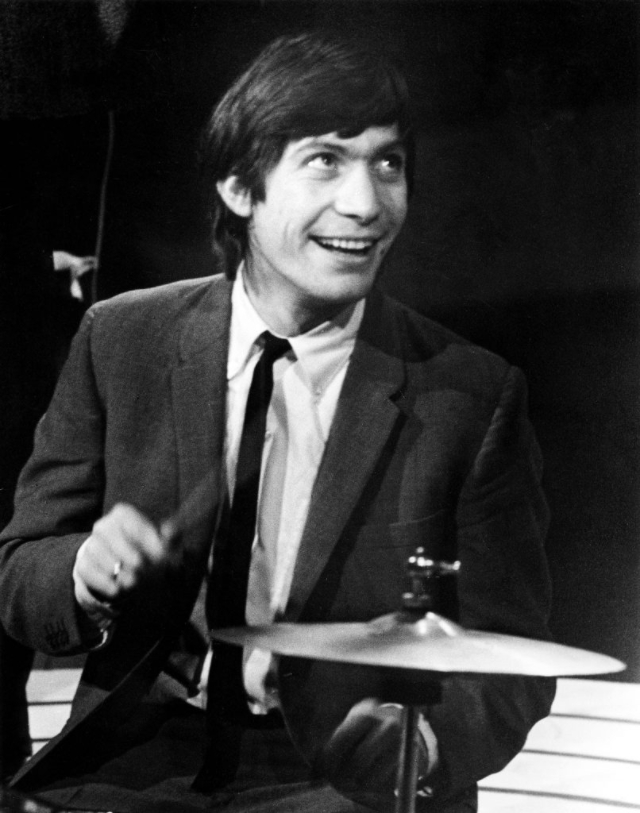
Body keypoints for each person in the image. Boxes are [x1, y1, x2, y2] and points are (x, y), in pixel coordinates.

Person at [0, 32, 554, 813]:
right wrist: (84, 571)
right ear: (239, 186)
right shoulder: (121, 338)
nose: (366, 203)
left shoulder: (470, 394)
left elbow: (514, 661)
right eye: (326, 159)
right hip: (135, 761)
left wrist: (421, 741)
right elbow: (22, 570)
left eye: (388, 163)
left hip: (338, 780)